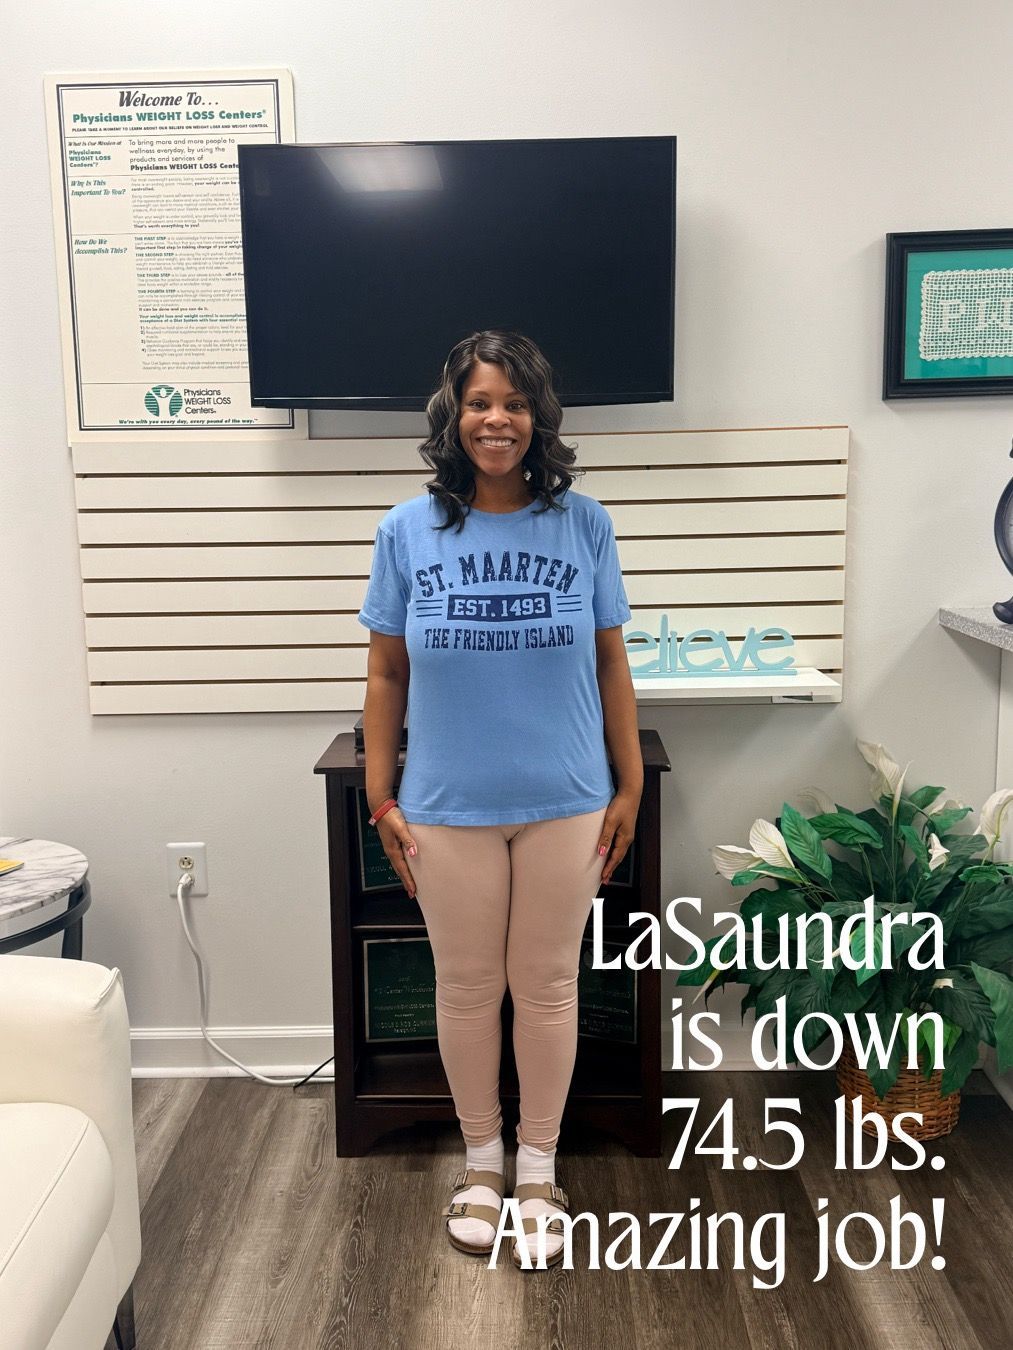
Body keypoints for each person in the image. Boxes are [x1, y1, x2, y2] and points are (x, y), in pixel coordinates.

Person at [356, 329, 642, 1269]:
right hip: (443, 803)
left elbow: (608, 658)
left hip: (565, 798)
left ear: (537, 419)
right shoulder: (406, 531)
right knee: (470, 988)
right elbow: (389, 669)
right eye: (480, 402)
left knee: (549, 986)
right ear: (453, 416)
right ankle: (480, 1161)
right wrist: (379, 789)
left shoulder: (583, 523)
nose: (496, 419)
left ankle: (537, 1169)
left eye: (514, 404)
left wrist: (629, 778)